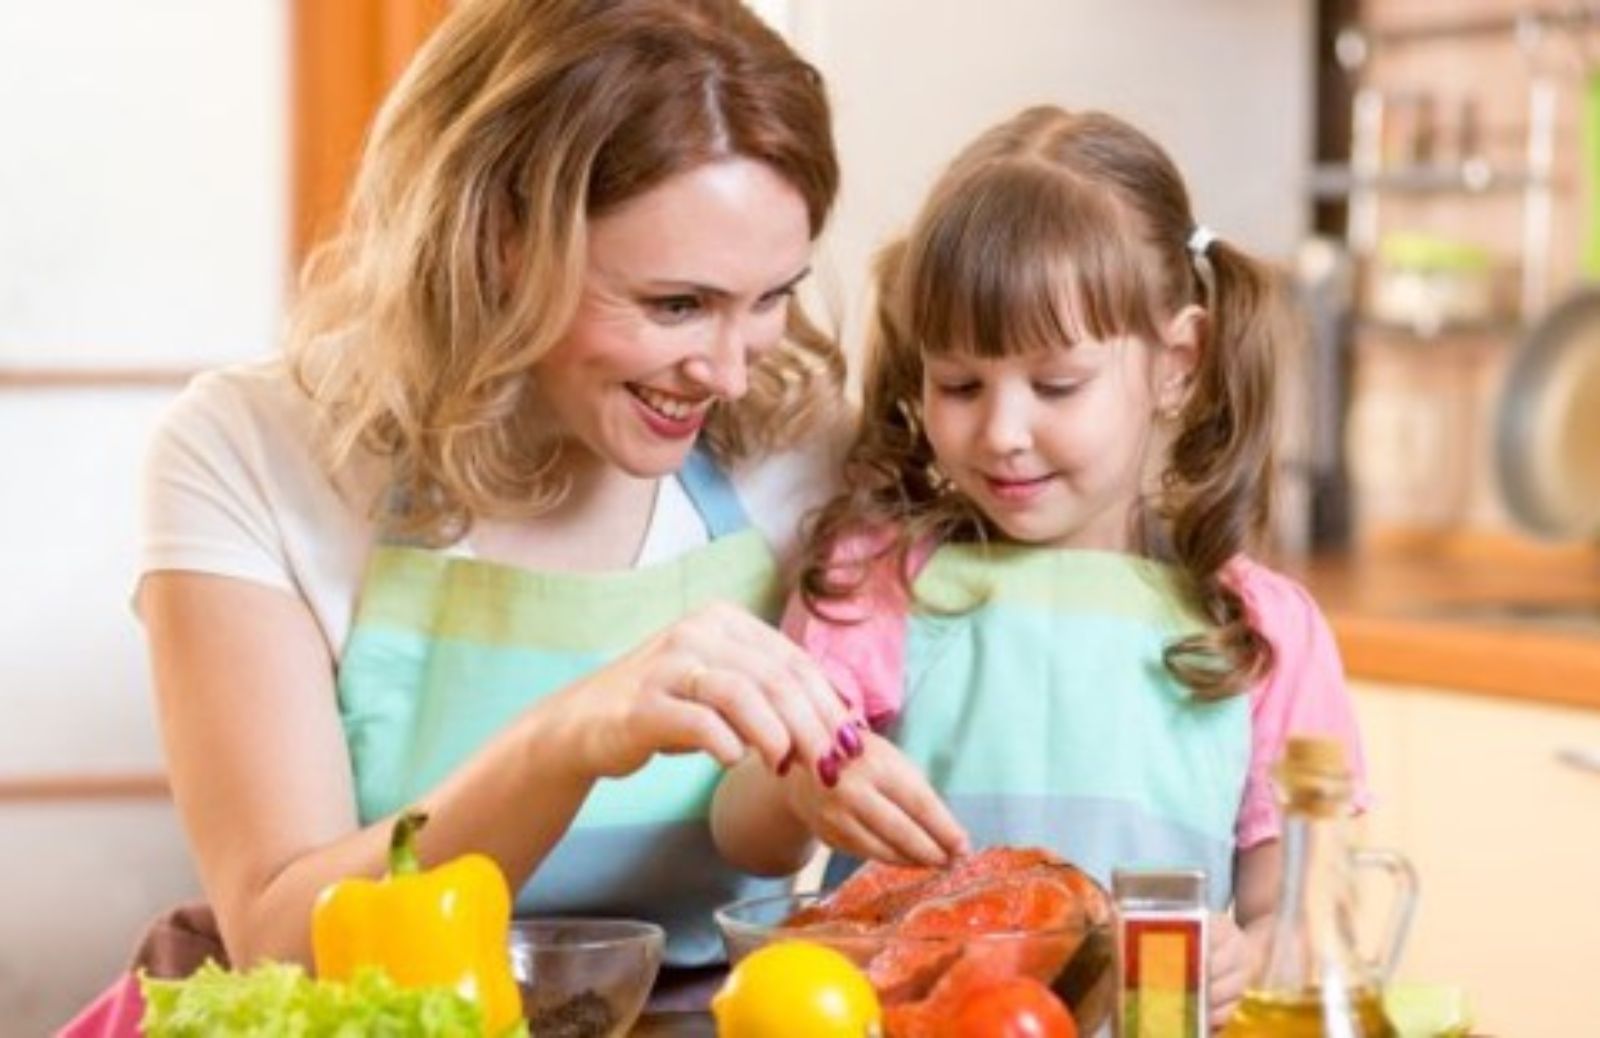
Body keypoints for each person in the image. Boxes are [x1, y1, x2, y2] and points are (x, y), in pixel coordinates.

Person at [133, 0, 957, 1002]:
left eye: (771, 297)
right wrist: (568, 739)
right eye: (676, 305)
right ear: (497, 241)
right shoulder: (251, 451)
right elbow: (277, 937)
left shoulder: (799, 444)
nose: (733, 373)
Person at [710, 105, 1372, 1028]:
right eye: (959, 384)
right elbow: (740, 831)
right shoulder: (878, 582)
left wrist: (1248, 954)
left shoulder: (1263, 631)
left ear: (1176, 362)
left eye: (1057, 385)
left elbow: (1289, 898)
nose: (1003, 433)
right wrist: (794, 783)